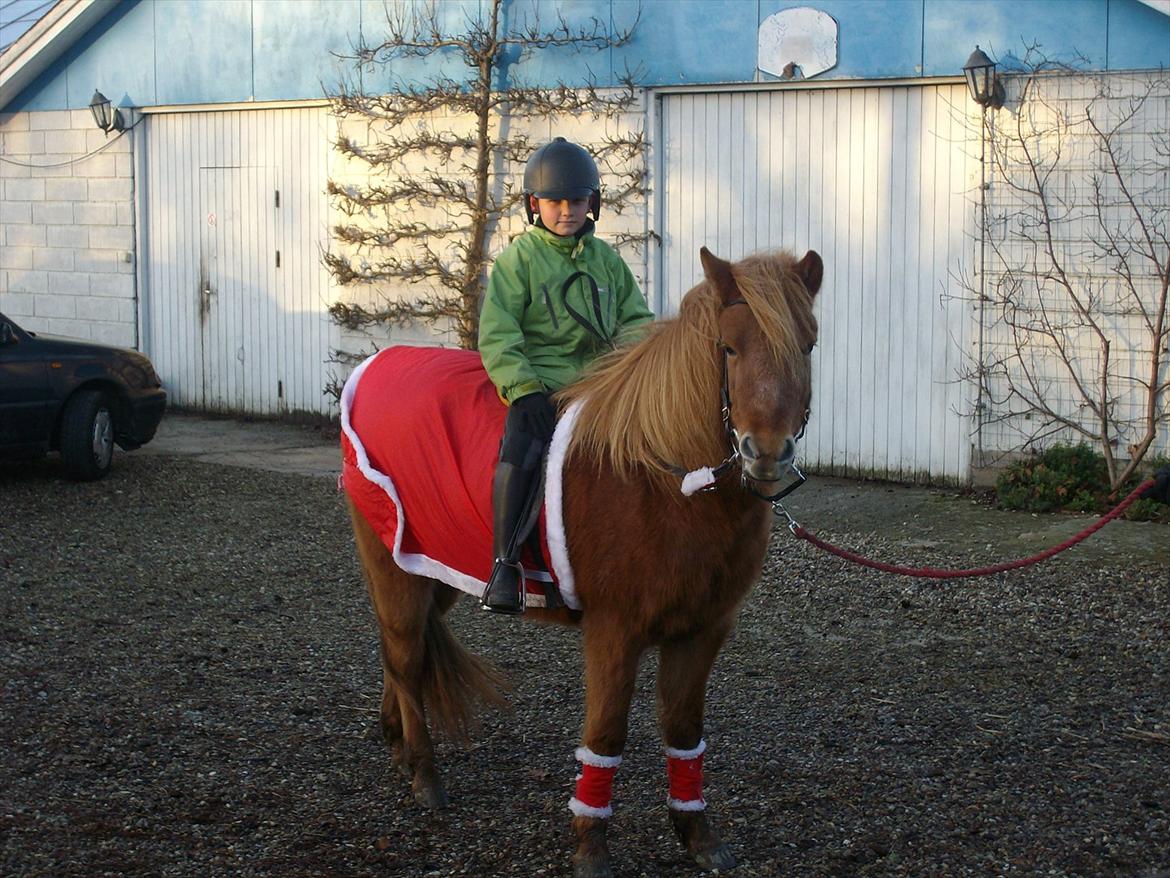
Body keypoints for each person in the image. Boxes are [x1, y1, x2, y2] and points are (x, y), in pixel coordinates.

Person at [477, 137, 654, 614]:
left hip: (601, 387)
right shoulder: (519, 261)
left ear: (591, 204)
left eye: (577, 201)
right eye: (554, 202)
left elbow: (637, 319)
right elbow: (499, 331)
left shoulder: (607, 261)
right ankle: (506, 563)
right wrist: (524, 389)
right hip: (547, 387)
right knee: (523, 445)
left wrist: (625, 364)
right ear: (535, 205)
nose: (566, 211)